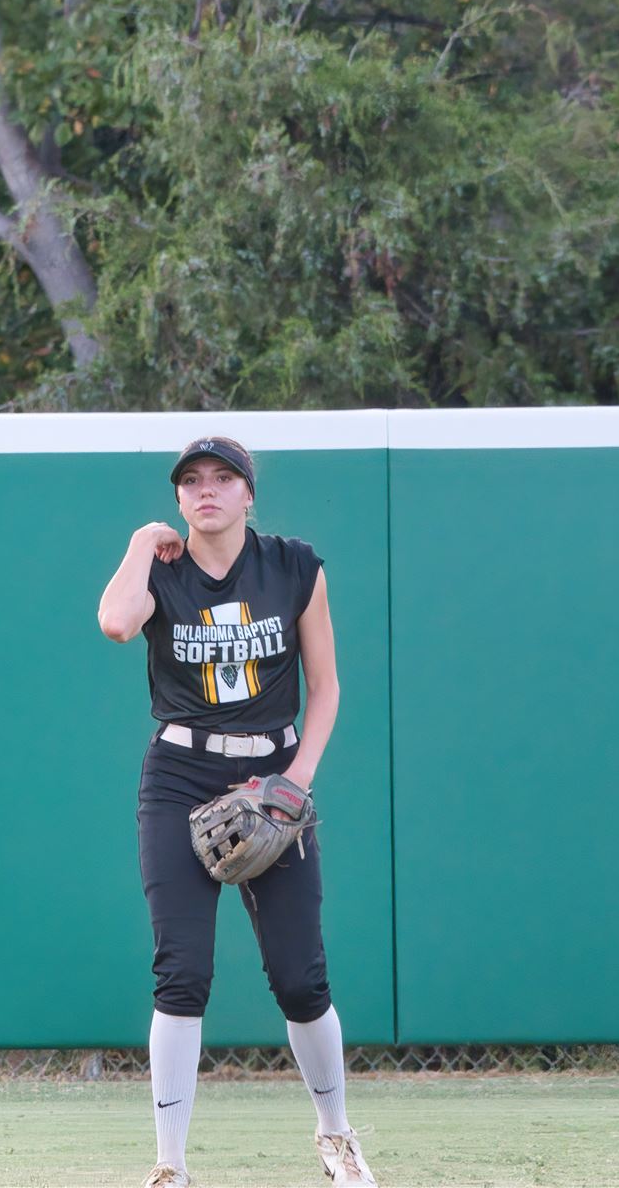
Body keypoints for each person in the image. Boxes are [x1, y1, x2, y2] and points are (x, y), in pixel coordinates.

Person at [97, 435, 378, 1188]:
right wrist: (136, 543)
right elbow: (117, 624)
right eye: (191, 481)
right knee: (181, 972)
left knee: (299, 977)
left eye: (224, 478)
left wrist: (298, 779)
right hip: (180, 774)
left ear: (250, 493)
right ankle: (170, 1163)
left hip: (273, 773)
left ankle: (336, 1134)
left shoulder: (293, 565)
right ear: (178, 497)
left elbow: (327, 687)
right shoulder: (161, 570)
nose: (207, 490)